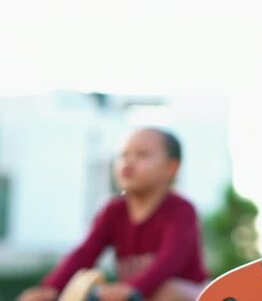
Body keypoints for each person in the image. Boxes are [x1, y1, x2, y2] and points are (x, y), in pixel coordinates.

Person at [18, 128, 210, 301]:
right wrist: (51, 288)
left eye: (142, 155)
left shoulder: (181, 210)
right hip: (139, 295)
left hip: (190, 295)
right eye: (124, 155)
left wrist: (132, 288)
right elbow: (85, 253)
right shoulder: (113, 211)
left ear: (171, 167)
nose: (129, 161)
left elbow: (171, 259)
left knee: (167, 291)